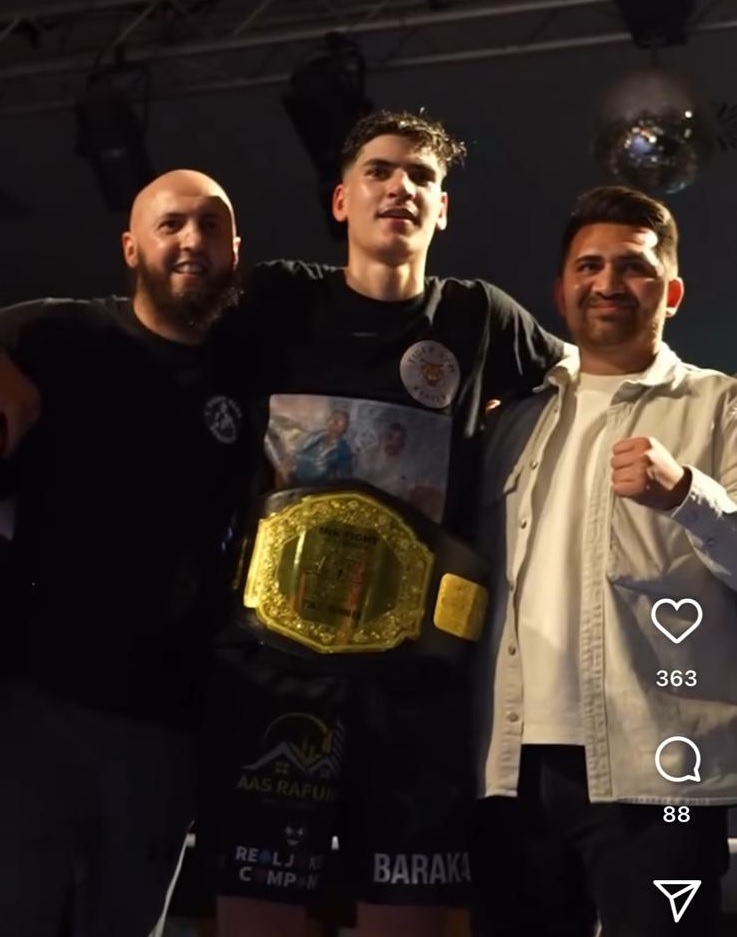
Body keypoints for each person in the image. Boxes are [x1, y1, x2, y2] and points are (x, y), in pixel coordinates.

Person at [199, 109, 564, 937]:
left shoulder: (478, 317)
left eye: (421, 177)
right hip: (269, 670)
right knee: (259, 917)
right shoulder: (277, 298)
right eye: (380, 171)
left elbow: (593, 382)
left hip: (414, 689)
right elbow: (158, 325)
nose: (401, 186)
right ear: (341, 200)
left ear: (443, 210)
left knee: (406, 919)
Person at [471, 185, 737, 937]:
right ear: (560, 292)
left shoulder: (722, 406)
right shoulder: (513, 419)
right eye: (588, 266)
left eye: (633, 267)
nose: (608, 282)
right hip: (508, 767)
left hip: (659, 770)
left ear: (671, 292)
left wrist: (686, 493)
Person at [0, 169, 254, 937]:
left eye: (210, 225)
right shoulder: (60, 335)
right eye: (170, 224)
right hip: (37, 703)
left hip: (167, 721)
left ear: (235, 249)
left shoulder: (255, 371)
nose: (192, 240)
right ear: (130, 247)